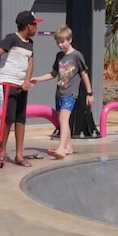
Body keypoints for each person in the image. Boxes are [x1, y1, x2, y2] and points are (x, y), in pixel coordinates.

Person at [29, 25, 93, 159]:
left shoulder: (76, 56)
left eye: (62, 42)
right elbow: (53, 74)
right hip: (60, 92)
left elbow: (84, 74)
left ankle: (61, 148)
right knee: (62, 121)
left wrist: (89, 93)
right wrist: (38, 79)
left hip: (70, 94)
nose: (60, 45)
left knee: (64, 119)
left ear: (70, 40)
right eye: (58, 42)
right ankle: (68, 146)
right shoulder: (59, 56)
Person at [0, 10, 39, 167]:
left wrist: (27, 81)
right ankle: (1, 150)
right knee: (8, 117)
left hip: (20, 85)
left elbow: (30, 62)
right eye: (35, 25)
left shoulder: (30, 43)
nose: (36, 28)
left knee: (20, 119)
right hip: (6, 83)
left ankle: (19, 155)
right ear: (28, 26)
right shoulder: (11, 39)